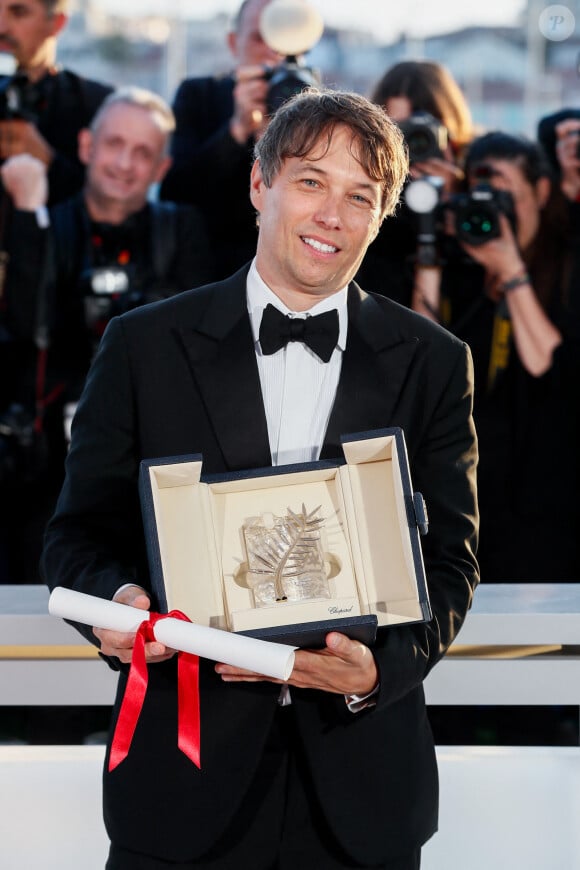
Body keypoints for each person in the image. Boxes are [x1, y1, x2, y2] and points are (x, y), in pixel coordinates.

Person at [42, 88, 479, 869]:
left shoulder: (436, 360)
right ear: (258, 184)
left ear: (381, 217)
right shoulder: (144, 345)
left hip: (363, 784)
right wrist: (119, 606)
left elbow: (451, 561)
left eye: (360, 196)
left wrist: (380, 669)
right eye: (311, 181)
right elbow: (77, 535)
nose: (331, 215)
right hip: (182, 775)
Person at [0, 86, 213, 584]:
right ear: (84, 147)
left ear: (162, 169)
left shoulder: (179, 230)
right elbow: (28, 326)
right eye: (114, 143)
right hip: (46, 468)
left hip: (149, 463)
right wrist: (30, 212)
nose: (124, 163)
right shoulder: (44, 223)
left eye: (143, 153)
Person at [412, 130, 580, 582]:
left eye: (506, 198)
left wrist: (510, 271)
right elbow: (418, 363)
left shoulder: (565, 267)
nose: (494, 216)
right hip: (464, 506)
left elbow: (549, 367)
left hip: (545, 509)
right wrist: (430, 251)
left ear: (542, 192)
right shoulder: (460, 266)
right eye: (483, 200)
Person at [159, 0, 285, 278]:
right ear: (233, 42)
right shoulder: (198, 96)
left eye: (283, 37)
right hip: (208, 274)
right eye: (259, 38)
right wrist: (236, 130)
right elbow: (176, 192)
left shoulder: (319, 111)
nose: (272, 52)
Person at [356, 60, 475, 307]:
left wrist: (452, 202)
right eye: (399, 131)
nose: (410, 147)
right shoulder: (367, 192)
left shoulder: (475, 178)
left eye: (424, 134)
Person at [0, 0, 112, 206]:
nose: (1, 26)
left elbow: (112, 204)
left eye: (18, 13)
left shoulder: (98, 106)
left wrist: (48, 161)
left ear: (57, 23)